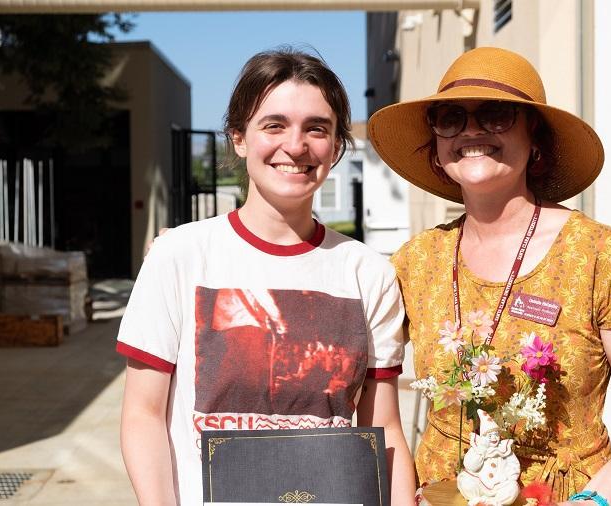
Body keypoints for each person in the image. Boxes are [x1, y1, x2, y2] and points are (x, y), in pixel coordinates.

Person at [368, 47, 611, 505]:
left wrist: (595, 501)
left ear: (533, 136)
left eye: (496, 115)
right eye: (450, 118)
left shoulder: (598, 254)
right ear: (438, 147)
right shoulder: (415, 261)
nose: (472, 131)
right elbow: (370, 402)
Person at [118, 48, 416, 505]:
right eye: (274, 125)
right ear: (238, 137)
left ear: (336, 146)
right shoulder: (179, 255)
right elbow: (143, 414)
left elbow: (384, 428)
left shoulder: (368, 272)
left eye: (316, 128)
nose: (295, 146)